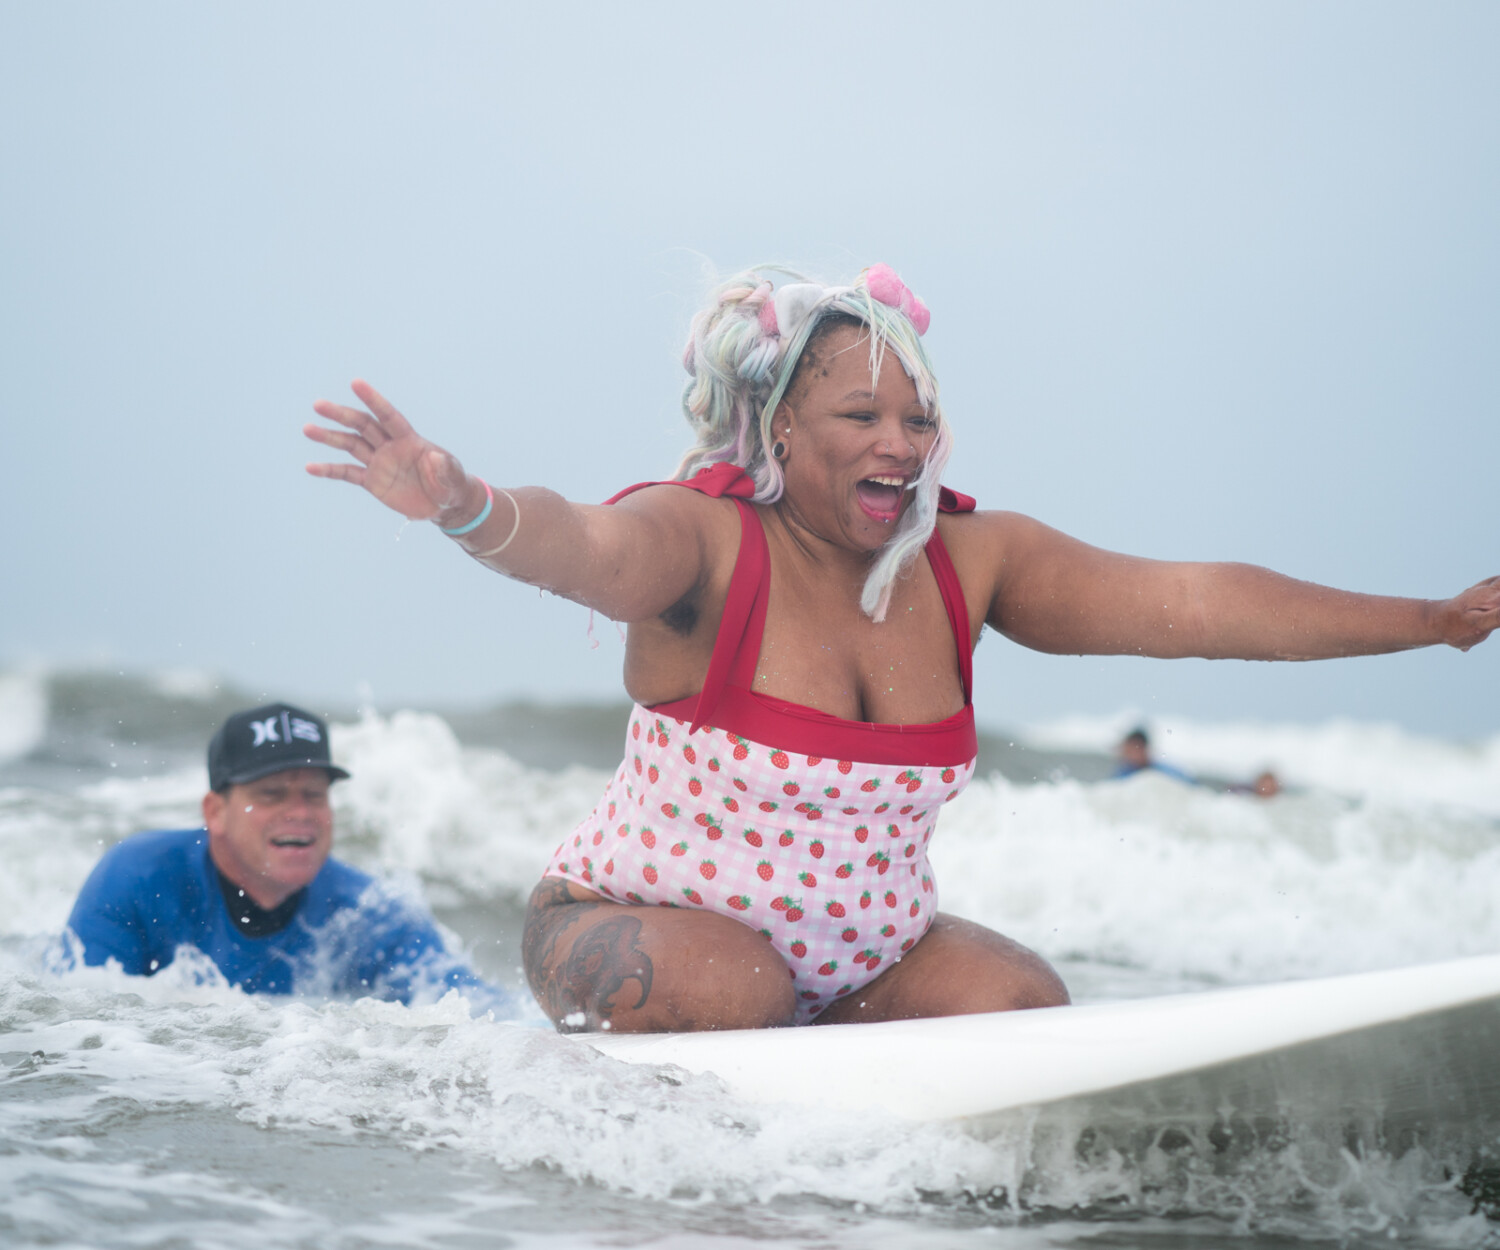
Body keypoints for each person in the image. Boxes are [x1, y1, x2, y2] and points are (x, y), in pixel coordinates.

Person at [304, 264, 1499, 1034]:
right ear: (779, 428)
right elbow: (583, 545)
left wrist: (1430, 622)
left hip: (852, 965)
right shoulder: (707, 544)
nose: (902, 443)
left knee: (1022, 1000)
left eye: (918, 415)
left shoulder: (971, 562)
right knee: (738, 988)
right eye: (861, 415)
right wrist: (467, 507)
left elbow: (1193, 603)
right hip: (624, 928)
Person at [65, 701, 509, 1009]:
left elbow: (473, 1011)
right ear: (215, 812)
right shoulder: (136, 877)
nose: (300, 813)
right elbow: (75, 1020)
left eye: (314, 795)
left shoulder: (370, 913)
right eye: (272, 795)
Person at [1112, 726, 1195, 784]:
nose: (1128, 755)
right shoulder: (1123, 774)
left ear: (1143, 748)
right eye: (1127, 751)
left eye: (1132, 750)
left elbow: (1190, 784)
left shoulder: (1164, 771)